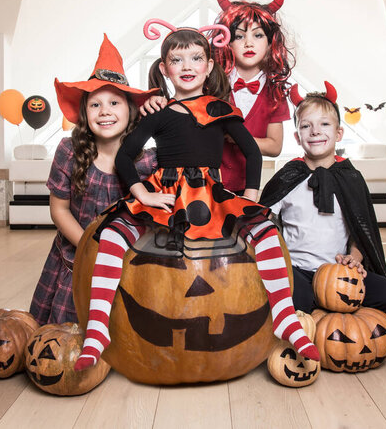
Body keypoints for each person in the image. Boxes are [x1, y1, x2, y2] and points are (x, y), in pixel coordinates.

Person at [74, 20, 319, 371]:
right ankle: (97, 329)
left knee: (264, 231)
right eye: (177, 60)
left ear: (208, 66)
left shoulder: (221, 110)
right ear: (164, 69)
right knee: (112, 232)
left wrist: (248, 197)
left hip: (210, 193)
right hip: (167, 191)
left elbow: (251, 152)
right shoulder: (158, 113)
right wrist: (142, 193)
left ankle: (284, 316)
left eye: (195, 58)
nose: (187, 67)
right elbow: (125, 156)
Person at [29, 35, 159, 326]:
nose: (105, 112)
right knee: (66, 335)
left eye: (114, 102)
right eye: (95, 105)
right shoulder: (69, 152)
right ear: (85, 114)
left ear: (131, 110)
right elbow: (59, 209)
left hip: (127, 261)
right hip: (77, 258)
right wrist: (91, 248)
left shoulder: (148, 162)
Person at [259, 82, 386, 322]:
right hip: (297, 271)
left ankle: (323, 309)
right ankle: (322, 309)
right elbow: (264, 218)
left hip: (339, 272)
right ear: (297, 136)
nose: (315, 131)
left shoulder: (351, 177)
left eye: (324, 124)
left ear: (339, 134)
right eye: (306, 126)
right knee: (294, 300)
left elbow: (361, 229)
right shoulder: (288, 175)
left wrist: (355, 257)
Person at [141, 0, 293, 195]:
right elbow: (178, 111)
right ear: (227, 42)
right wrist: (155, 100)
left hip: (243, 187)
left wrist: (236, 136)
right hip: (200, 186)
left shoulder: (275, 93)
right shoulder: (206, 82)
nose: (249, 43)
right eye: (239, 36)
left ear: (270, 42)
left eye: (258, 35)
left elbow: (275, 147)